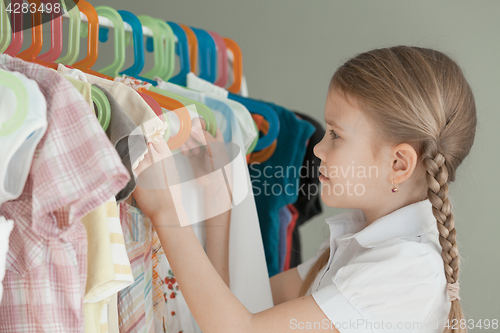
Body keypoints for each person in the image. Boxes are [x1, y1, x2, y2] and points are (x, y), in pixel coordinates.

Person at [131, 45, 476, 333]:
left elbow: (240, 330)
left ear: (399, 164)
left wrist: (166, 211)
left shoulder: (403, 272)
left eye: (336, 135)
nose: (317, 149)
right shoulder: (361, 241)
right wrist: (218, 205)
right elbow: (244, 306)